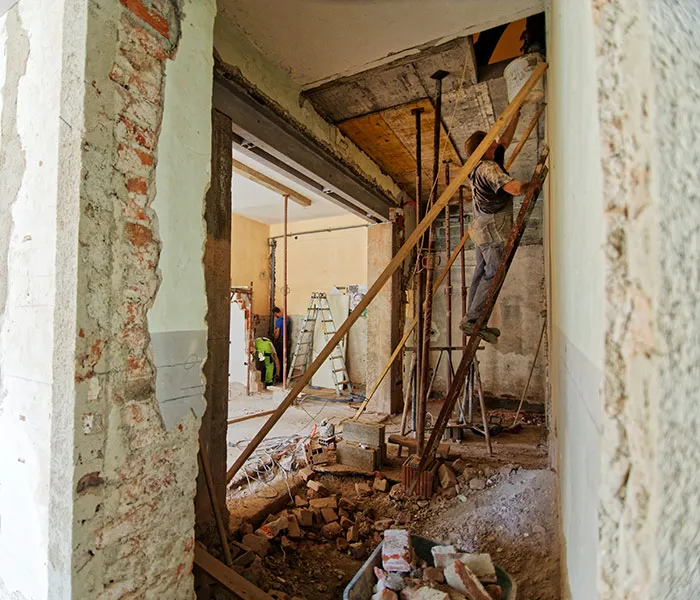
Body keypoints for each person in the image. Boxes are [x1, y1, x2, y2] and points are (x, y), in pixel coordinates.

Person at [459, 109, 529, 344]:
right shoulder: (487, 168)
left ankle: (472, 320)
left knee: (481, 272)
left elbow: (504, 141)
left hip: (480, 225)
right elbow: (515, 189)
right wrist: (534, 182)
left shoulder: (486, 160)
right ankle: (473, 320)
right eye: (491, 141)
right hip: (491, 227)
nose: (495, 143)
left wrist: (516, 115)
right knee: (493, 272)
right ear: (484, 147)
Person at [272, 306, 290, 380]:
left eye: (274, 315)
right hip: (287, 340)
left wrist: (274, 337)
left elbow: (277, 333)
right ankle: (286, 375)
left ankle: (279, 376)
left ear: (276, 313)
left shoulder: (279, 320)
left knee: (278, 358)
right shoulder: (287, 319)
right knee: (285, 357)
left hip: (280, 341)